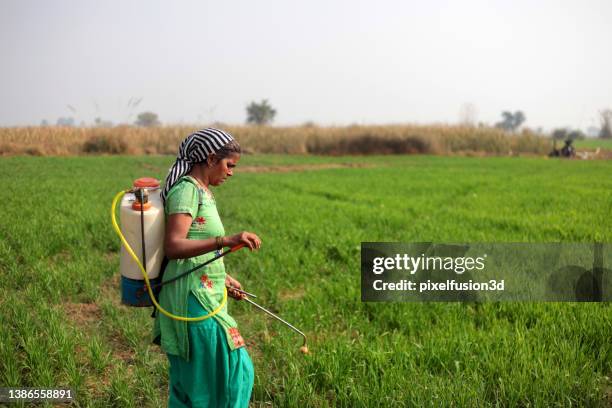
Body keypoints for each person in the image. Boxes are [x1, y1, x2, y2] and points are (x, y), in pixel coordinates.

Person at [153, 128, 261, 408]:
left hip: (204, 291)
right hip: (191, 298)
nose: (231, 172)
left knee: (196, 385)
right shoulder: (187, 190)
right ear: (211, 158)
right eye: (229, 165)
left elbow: (196, 247)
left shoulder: (203, 192)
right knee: (234, 371)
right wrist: (227, 240)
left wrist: (223, 277)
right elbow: (174, 246)